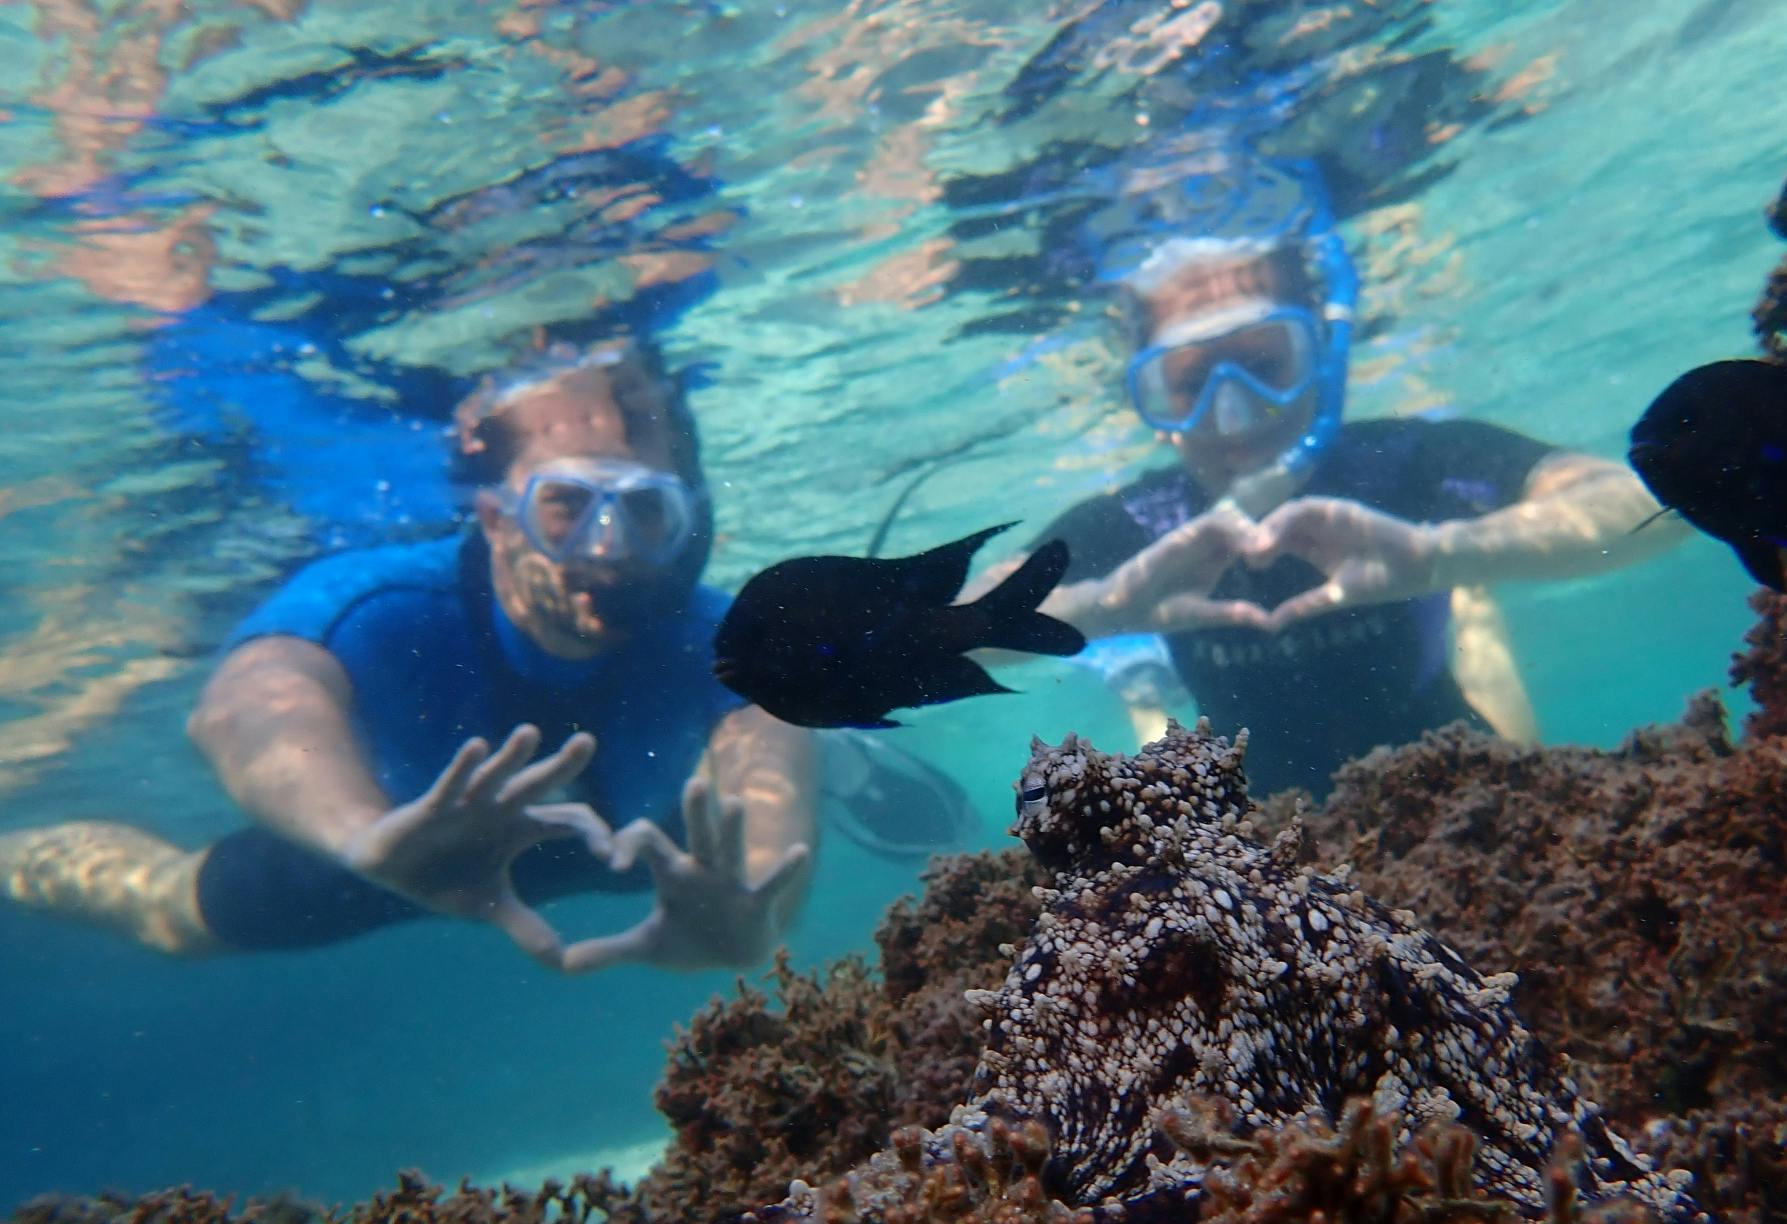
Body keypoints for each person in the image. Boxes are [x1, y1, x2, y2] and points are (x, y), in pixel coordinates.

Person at [0, 338, 817, 971]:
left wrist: (757, 920)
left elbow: (771, 790)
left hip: (629, 847)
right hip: (400, 852)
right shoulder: (388, 598)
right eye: (566, 505)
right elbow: (246, 705)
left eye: (647, 513)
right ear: (495, 517)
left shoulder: (722, 638)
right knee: (173, 916)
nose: (609, 549)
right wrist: (364, 837)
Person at [981, 156, 1690, 796]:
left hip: (1455, 782)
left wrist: (1447, 555)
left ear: (1324, 352)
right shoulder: (1140, 522)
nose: (1234, 417)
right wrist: (1099, 609)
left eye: (1266, 363)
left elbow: (1662, 501)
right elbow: (932, 633)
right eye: (1189, 383)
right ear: (1153, 403)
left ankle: (1476, 609)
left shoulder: (1400, 462)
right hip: (1254, 818)